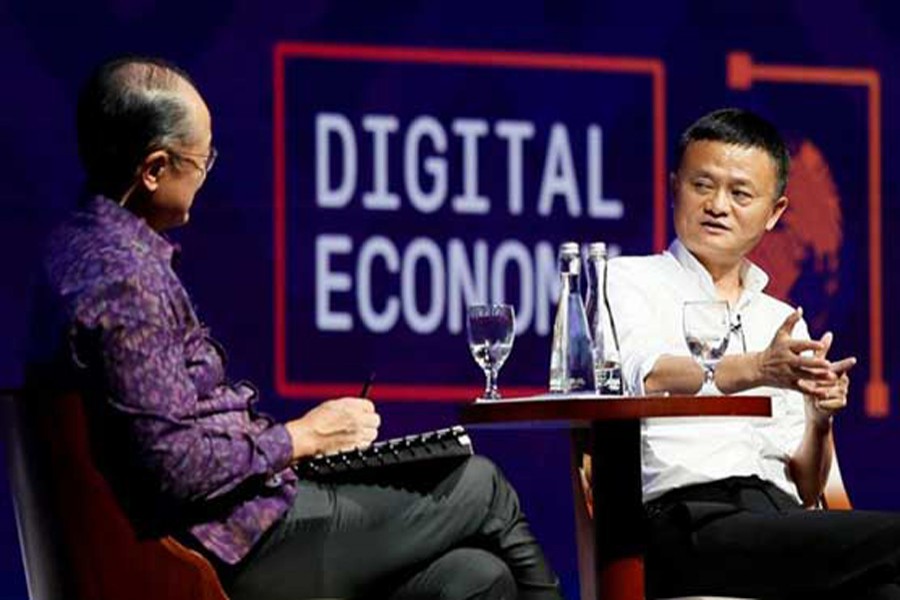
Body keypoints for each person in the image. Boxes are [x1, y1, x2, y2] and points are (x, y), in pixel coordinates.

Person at [27, 56, 563, 600]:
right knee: (481, 486)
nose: (207, 173)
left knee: (474, 579)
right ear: (154, 169)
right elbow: (173, 464)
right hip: (234, 544)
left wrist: (285, 446)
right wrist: (302, 437)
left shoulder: (76, 251)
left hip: (233, 524)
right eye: (202, 160)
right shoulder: (125, 282)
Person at [598, 107, 900, 599]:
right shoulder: (626, 280)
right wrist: (759, 368)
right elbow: (649, 376)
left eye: (740, 194)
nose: (718, 205)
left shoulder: (781, 319)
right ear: (674, 187)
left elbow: (808, 489)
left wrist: (818, 419)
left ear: (774, 212)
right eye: (702, 185)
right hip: (686, 523)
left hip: (778, 522)